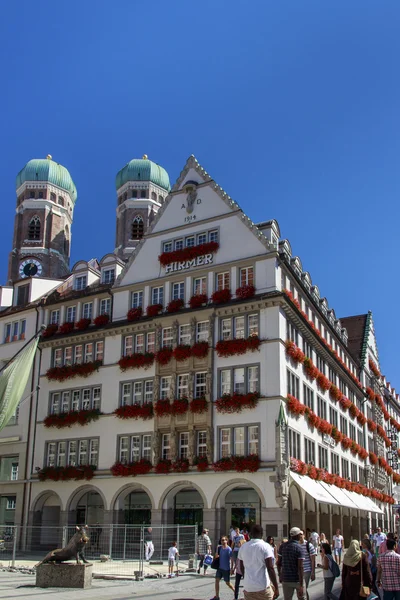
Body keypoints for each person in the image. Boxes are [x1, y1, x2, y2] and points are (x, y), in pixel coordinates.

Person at [238, 524, 279, 600]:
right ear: (262, 534)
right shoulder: (265, 546)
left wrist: (246, 578)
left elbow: (241, 567)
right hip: (262, 586)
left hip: (248, 587)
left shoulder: (243, 547)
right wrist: (276, 587)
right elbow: (270, 568)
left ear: (250, 534)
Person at [277, 526, 305, 600]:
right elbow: (300, 567)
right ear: (297, 535)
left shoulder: (282, 546)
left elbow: (278, 563)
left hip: (286, 579)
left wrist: (280, 575)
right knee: (302, 598)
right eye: (300, 534)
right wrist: (301, 585)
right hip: (297, 579)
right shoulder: (299, 547)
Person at [210, 535, 235, 600]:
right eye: (222, 540)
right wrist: (216, 555)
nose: (223, 541)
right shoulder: (220, 548)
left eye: (225, 540)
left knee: (228, 583)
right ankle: (217, 596)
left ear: (227, 541)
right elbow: (216, 557)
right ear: (220, 541)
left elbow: (232, 558)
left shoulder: (229, 549)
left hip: (226, 569)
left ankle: (235, 592)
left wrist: (232, 568)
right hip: (220, 568)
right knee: (217, 580)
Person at [299, 530, 316, 600]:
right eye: (298, 534)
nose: (300, 536)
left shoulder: (309, 545)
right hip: (298, 571)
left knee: (304, 589)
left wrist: (313, 572)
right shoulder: (296, 545)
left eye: (301, 534)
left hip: (307, 570)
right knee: (302, 590)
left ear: (304, 535)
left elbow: (313, 560)